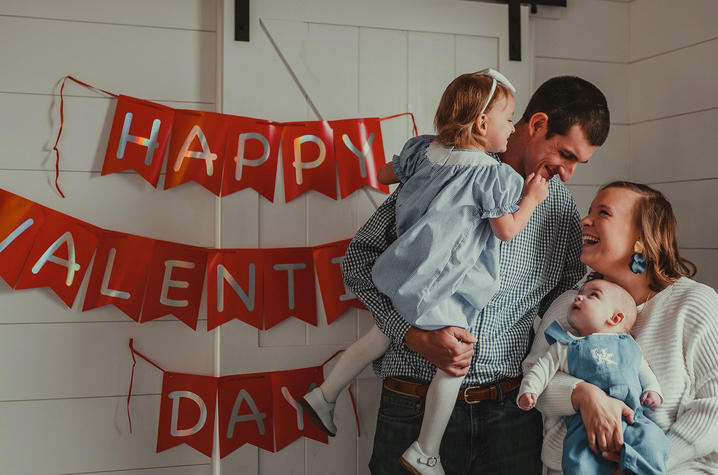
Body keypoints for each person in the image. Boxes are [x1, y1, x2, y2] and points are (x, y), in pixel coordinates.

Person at [341, 75, 610, 474]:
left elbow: (566, 301)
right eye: (565, 155)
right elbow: (358, 260)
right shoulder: (445, 170)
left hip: (510, 418)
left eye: (578, 163)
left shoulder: (559, 211)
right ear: (536, 125)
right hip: (412, 407)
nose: (568, 173)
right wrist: (412, 335)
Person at [301, 69, 549, 475]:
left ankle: (325, 394)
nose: (512, 127)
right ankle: (426, 450)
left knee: (375, 340)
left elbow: (383, 175)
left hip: (403, 272)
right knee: (454, 365)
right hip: (442, 284)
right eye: (509, 118)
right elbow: (505, 231)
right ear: (483, 123)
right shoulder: (492, 173)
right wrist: (533, 198)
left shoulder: (424, 152)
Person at [525, 181, 718, 474]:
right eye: (589, 210)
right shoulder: (569, 305)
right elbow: (535, 378)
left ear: (641, 239)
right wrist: (585, 396)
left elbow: (714, 404)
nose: (585, 220)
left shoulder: (693, 304)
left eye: (603, 213)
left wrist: (646, 463)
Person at [518, 279, 670, 475]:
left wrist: (652, 390)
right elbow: (540, 371)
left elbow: (643, 369)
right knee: (578, 461)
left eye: (593, 295)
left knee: (653, 442)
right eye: (580, 292)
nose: (579, 297)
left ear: (615, 318)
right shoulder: (565, 345)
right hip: (585, 427)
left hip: (632, 418)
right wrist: (529, 390)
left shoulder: (628, 345)